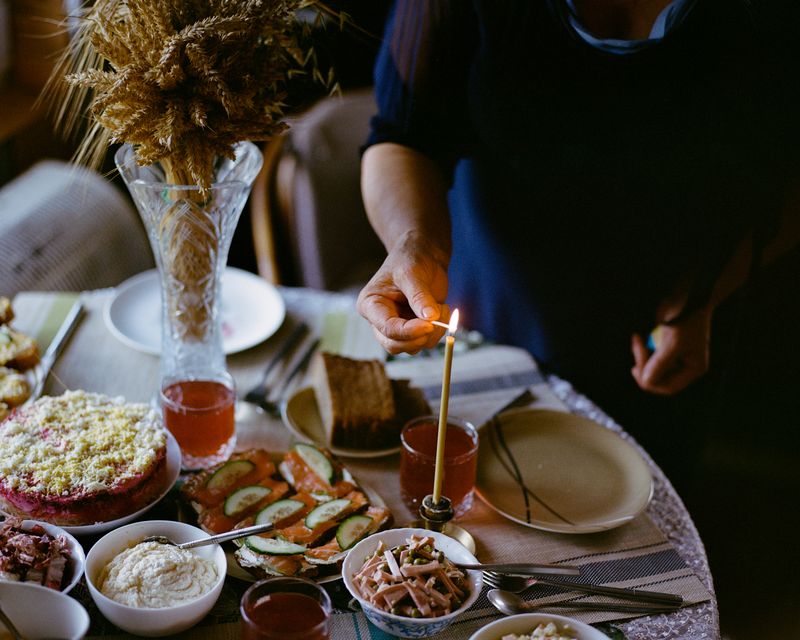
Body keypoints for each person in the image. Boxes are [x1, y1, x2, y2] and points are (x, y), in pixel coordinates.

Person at [355, 0, 800, 491]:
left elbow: (783, 181)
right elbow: (403, 136)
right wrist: (413, 243)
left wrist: (704, 298)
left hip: (667, 327)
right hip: (491, 303)